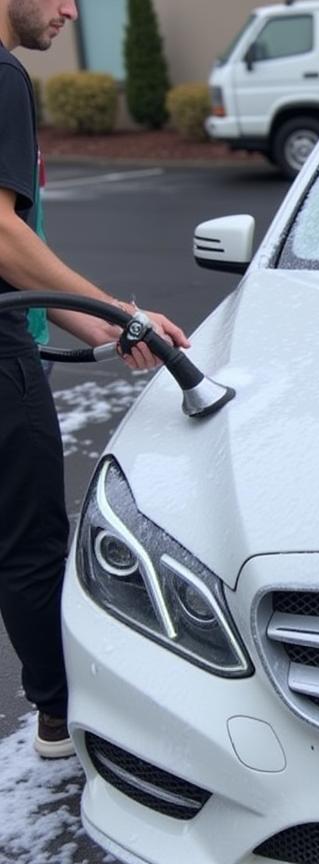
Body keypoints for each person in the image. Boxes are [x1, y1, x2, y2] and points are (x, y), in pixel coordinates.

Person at [0, 0, 190, 758]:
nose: (72, 11)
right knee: (30, 544)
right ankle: (62, 716)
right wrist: (111, 311)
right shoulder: (2, 75)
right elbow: (2, 233)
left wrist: (98, 322)